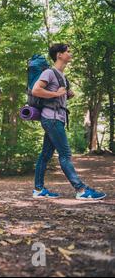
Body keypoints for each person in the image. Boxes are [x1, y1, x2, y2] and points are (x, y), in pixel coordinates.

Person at [31, 43, 106, 200]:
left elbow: (58, 94)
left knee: (45, 155)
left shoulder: (62, 76)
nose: (70, 54)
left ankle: (38, 190)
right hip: (51, 119)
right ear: (59, 55)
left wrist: (65, 94)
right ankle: (81, 190)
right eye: (68, 51)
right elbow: (36, 90)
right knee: (65, 154)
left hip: (55, 119)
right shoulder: (50, 73)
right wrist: (55, 94)